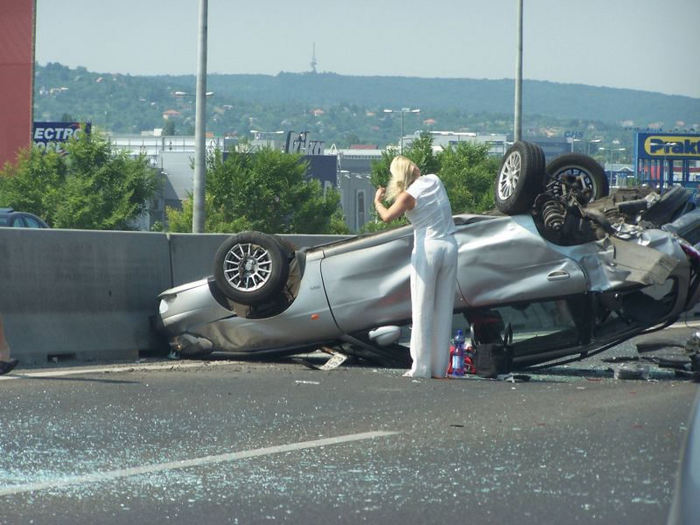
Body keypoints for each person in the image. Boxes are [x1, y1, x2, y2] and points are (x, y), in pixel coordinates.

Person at [374, 156, 458, 378]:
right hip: (450, 246)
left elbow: (386, 217)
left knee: (422, 307)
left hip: (427, 248)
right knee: (443, 308)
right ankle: (440, 367)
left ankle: (420, 367)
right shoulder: (434, 180)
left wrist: (377, 202)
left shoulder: (406, 197)